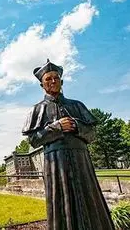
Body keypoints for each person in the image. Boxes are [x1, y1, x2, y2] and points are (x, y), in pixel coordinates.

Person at [22, 59, 114, 230]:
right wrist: (56, 127)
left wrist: (77, 126)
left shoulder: (77, 106)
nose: (52, 81)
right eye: (48, 79)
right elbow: (34, 140)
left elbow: (93, 134)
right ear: (42, 85)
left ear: (61, 82)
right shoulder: (36, 110)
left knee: (89, 198)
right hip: (56, 164)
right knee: (61, 203)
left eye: (55, 78)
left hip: (81, 161)